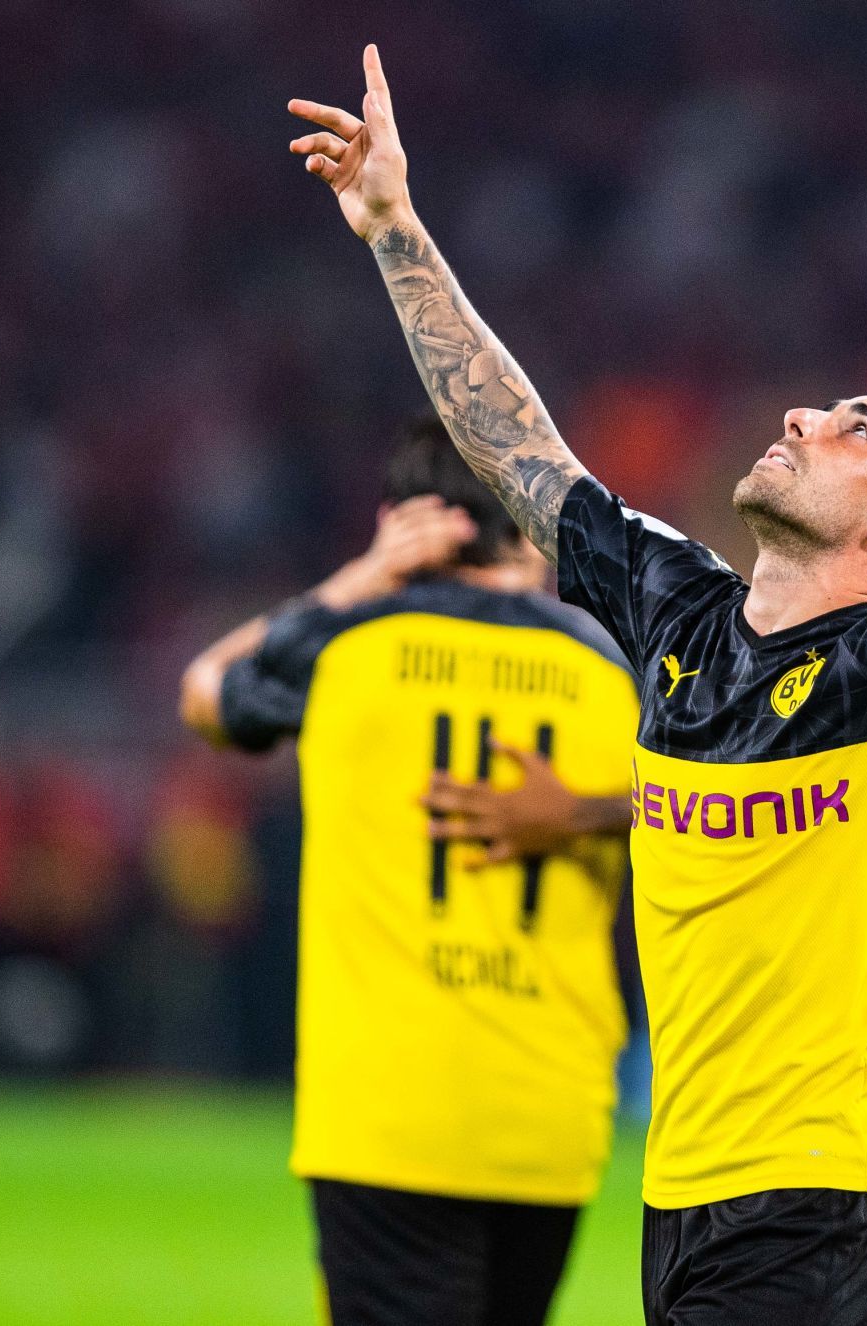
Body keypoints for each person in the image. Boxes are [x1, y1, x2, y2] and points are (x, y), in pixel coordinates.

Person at [286, 45, 867, 1324]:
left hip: (826, 1198)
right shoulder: (678, 612)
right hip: (683, 1195)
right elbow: (511, 441)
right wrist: (395, 226)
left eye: (858, 431)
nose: (801, 418)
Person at [179, 417, 640, 1326]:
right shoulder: (610, 668)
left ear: (397, 523)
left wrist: (355, 580)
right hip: (547, 1108)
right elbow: (717, 801)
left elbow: (204, 692)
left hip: (384, 1112)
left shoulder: (343, 648)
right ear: (528, 526)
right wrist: (589, 813)